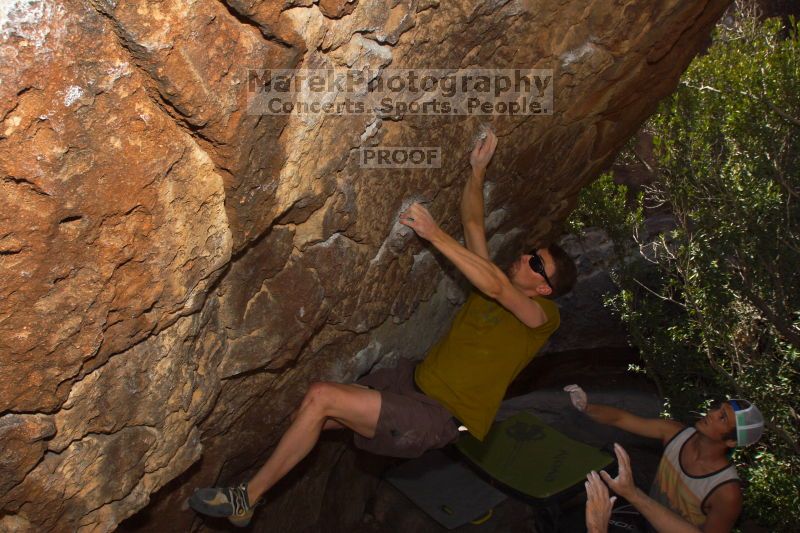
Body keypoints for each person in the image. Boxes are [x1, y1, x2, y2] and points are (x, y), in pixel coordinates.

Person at [188, 130, 578, 527]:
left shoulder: (543, 318)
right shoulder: (494, 285)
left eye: (536, 263)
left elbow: (493, 283)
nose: (526, 257)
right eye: (532, 251)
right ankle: (260, 483)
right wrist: (477, 171)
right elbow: (474, 225)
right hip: (412, 380)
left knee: (322, 398)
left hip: (438, 416)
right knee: (315, 411)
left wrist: (433, 233)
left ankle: (245, 500)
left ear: (544, 287)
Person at [565, 384, 764, 532]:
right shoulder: (675, 432)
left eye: (723, 418)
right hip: (643, 518)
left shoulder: (726, 491)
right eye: (718, 409)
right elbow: (621, 418)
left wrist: (632, 493)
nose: (712, 414)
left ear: (731, 442)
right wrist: (587, 407)